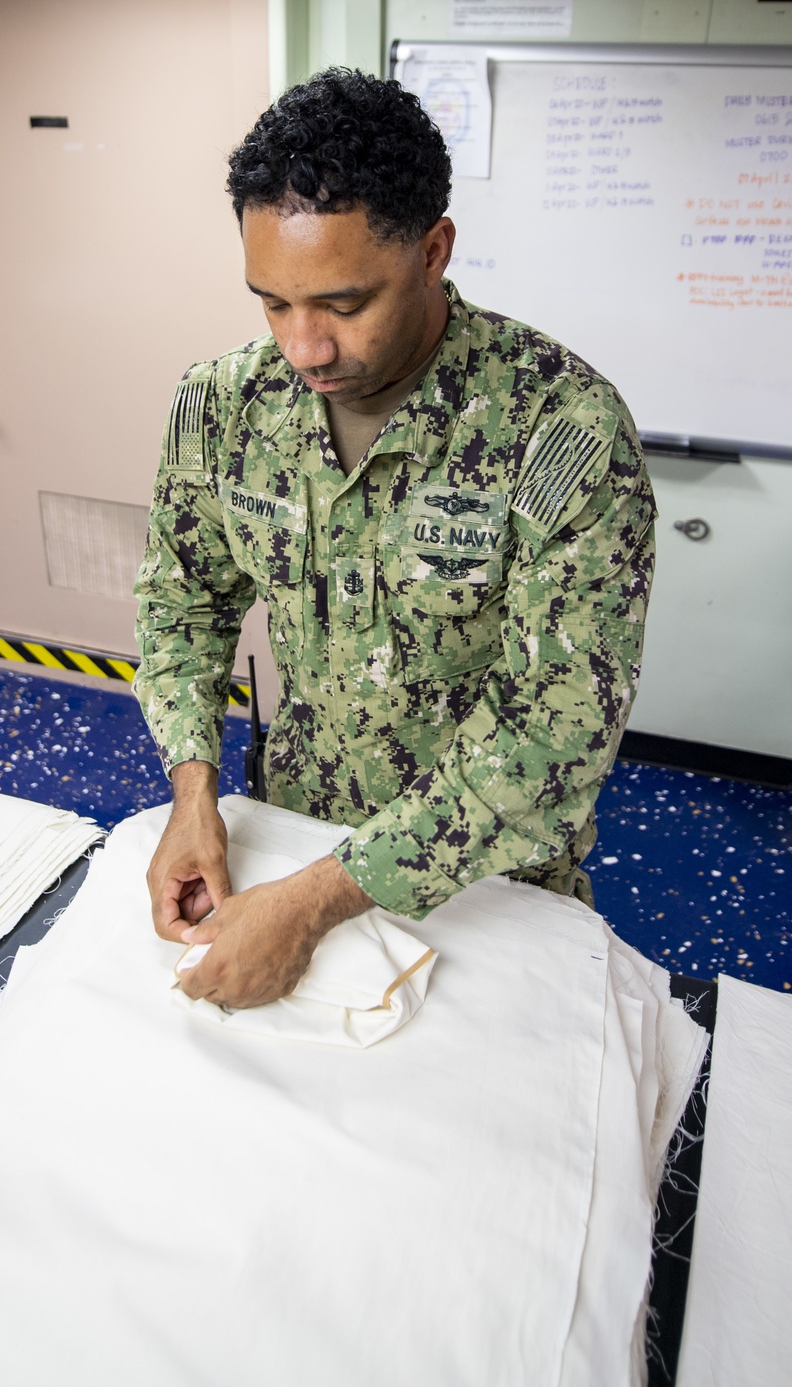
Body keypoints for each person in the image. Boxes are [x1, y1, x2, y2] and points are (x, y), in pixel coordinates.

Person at [133, 68, 655, 1010]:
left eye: (342, 303)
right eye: (272, 302)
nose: (303, 347)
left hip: (488, 885)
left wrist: (320, 902)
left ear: (432, 251)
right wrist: (193, 791)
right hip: (289, 829)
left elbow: (558, 729)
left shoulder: (559, 431)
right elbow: (182, 602)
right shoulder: (222, 405)